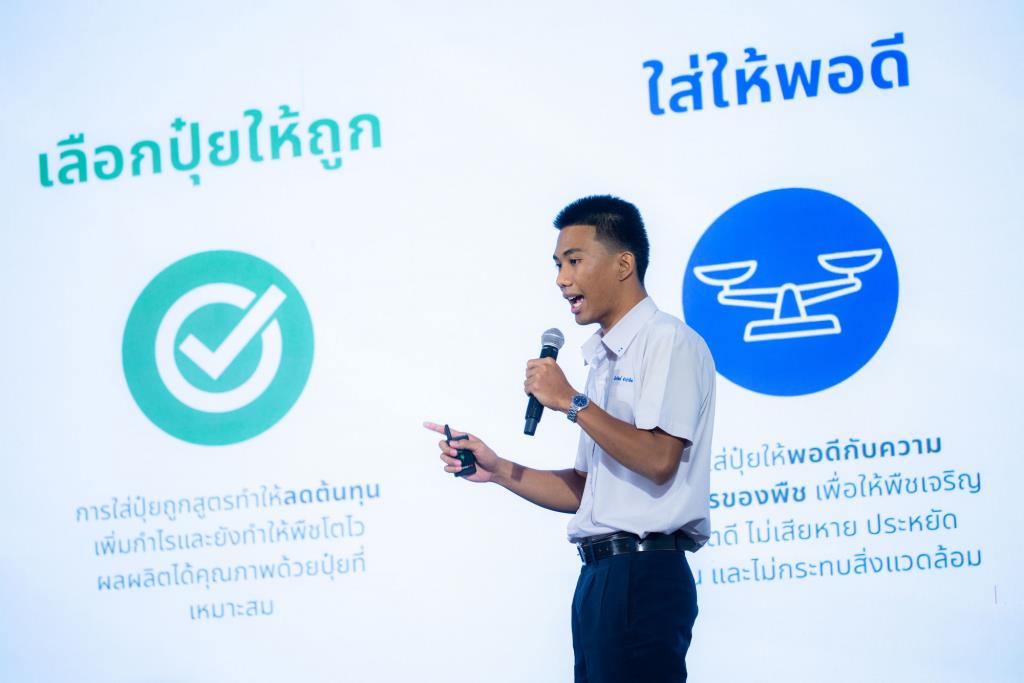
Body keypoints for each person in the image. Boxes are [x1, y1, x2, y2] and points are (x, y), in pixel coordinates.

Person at [424, 195, 715, 683]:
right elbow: (586, 489)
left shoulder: (667, 341)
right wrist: (499, 470)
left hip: (643, 576)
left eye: (574, 261)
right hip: (600, 577)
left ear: (624, 264)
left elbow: (659, 459)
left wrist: (572, 402)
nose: (561, 279)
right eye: (558, 265)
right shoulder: (603, 358)